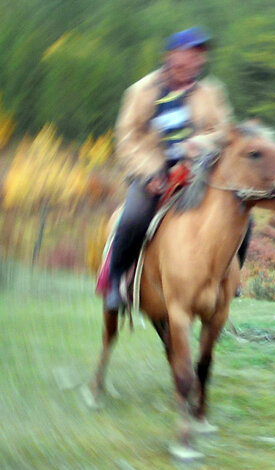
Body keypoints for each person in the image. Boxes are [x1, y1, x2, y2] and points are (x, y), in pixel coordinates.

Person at [105, 27, 249, 310]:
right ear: (171, 56)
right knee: (133, 216)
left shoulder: (211, 92)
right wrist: (147, 172)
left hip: (199, 170)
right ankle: (116, 283)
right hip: (153, 173)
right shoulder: (141, 92)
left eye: (200, 54)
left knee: (243, 211)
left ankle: (230, 278)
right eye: (190, 52)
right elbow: (126, 138)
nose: (196, 59)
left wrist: (199, 143)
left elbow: (224, 131)